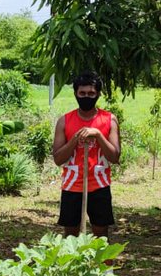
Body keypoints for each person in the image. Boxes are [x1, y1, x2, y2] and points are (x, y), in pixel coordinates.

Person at [51, 71, 121, 237]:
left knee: (100, 233)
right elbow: (58, 159)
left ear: (98, 94)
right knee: (70, 235)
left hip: (99, 184)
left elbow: (115, 156)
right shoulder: (65, 121)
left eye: (91, 93)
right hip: (72, 185)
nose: (86, 97)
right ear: (75, 93)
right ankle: (74, 263)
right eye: (82, 93)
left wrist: (98, 135)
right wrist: (75, 138)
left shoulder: (109, 120)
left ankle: (102, 263)